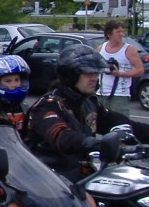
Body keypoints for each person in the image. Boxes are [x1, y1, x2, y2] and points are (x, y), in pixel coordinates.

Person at [27, 43, 149, 183]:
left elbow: (119, 122)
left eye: (95, 73)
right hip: (51, 180)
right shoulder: (47, 106)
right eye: (87, 73)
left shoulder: (89, 103)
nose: (94, 78)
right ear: (70, 75)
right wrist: (96, 144)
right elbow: (62, 137)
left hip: (81, 174)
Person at [97, 19, 144, 114]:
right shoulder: (100, 48)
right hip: (101, 93)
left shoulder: (129, 49)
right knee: (100, 125)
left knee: (120, 124)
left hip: (120, 95)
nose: (121, 34)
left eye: (122, 31)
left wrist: (121, 74)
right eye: (118, 32)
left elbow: (140, 70)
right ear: (109, 34)